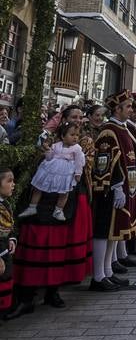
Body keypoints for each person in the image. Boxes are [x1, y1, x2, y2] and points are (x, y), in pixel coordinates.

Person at [10, 104, 92, 317]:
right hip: (40, 200)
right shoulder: (46, 140)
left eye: (80, 117)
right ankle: (26, 297)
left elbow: (81, 171)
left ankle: (52, 291)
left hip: (63, 201)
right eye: (73, 117)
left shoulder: (78, 145)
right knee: (35, 245)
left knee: (57, 246)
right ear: (62, 120)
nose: (78, 120)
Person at [90, 90, 136, 292]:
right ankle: (98, 276)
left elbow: (127, 157)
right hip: (112, 189)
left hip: (127, 186)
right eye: (128, 106)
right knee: (104, 230)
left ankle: (107, 271)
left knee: (114, 232)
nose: (132, 110)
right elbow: (105, 161)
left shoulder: (123, 128)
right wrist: (115, 186)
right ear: (117, 108)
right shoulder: (109, 130)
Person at [19, 122, 85, 222]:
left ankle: (58, 210)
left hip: (65, 172)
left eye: (77, 135)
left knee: (64, 192)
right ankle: (32, 207)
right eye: (72, 135)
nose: (75, 138)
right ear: (63, 136)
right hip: (50, 170)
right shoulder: (56, 145)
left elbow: (79, 162)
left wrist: (78, 173)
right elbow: (49, 158)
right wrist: (47, 150)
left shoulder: (77, 149)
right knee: (38, 187)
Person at [0, 167, 17, 318]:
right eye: (9, 181)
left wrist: (11, 238)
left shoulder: (5, 204)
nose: (13, 184)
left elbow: (9, 226)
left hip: (5, 251)